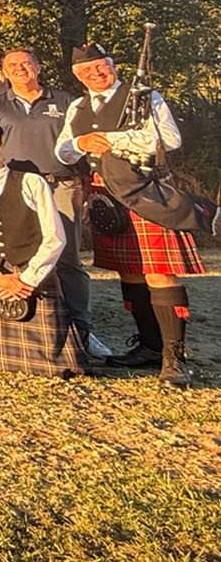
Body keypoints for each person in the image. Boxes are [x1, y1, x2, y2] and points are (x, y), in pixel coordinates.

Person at [55, 42, 206, 387]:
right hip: (105, 196)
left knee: (159, 274)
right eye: (88, 70)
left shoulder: (146, 97)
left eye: (102, 66)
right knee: (132, 273)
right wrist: (81, 144)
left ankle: (175, 358)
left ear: (114, 66)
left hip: (147, 193)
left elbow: (170, 139)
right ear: (79, 77)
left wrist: (112, 140)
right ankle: (150, 347)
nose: (97, 73)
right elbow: (63, 150)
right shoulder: (78, 107)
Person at [0, 47, 103, 357]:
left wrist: (90, 191)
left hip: (62, 185)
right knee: (23, 255)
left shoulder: (66, 101)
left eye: (26, 62)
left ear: (38, 65)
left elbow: (88, 146)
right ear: (5, 73)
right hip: (18, 190)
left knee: (67, 258)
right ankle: (37, 325)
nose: (20, 68)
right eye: (13, 65)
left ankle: (82, 329)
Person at [0, 123, 86, 379]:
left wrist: (27, 279)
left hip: (34, 272)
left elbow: (55, 237)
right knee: (6, 366)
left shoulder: (32, 182)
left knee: (57, 368)